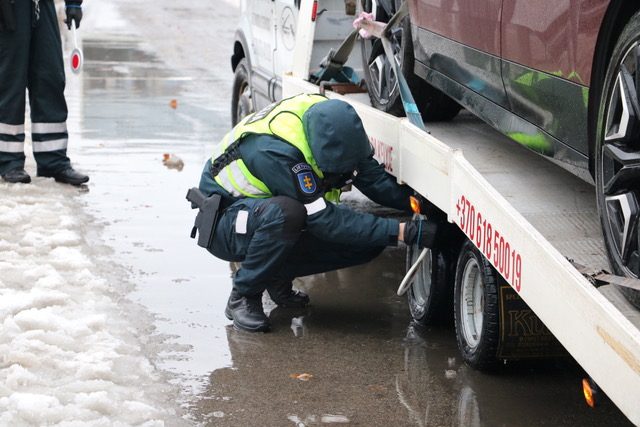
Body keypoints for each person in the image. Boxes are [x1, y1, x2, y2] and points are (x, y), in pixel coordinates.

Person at [197, 94, 439, 332]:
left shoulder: (334, 122)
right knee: (286, 214)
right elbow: (324, 220)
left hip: (258, 214)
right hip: (225, 221)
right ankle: (244, 294)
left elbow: (369, 176)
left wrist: (418, 203)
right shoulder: (278, 154)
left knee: (367, 241)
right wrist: (403, 232)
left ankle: (276, 274)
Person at [0, 0, 89, 185]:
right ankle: (8, 161)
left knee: (50, 78)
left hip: (42, 6)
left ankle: (54, 162)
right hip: (8, 7)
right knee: (9, 83)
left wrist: (73, 4)